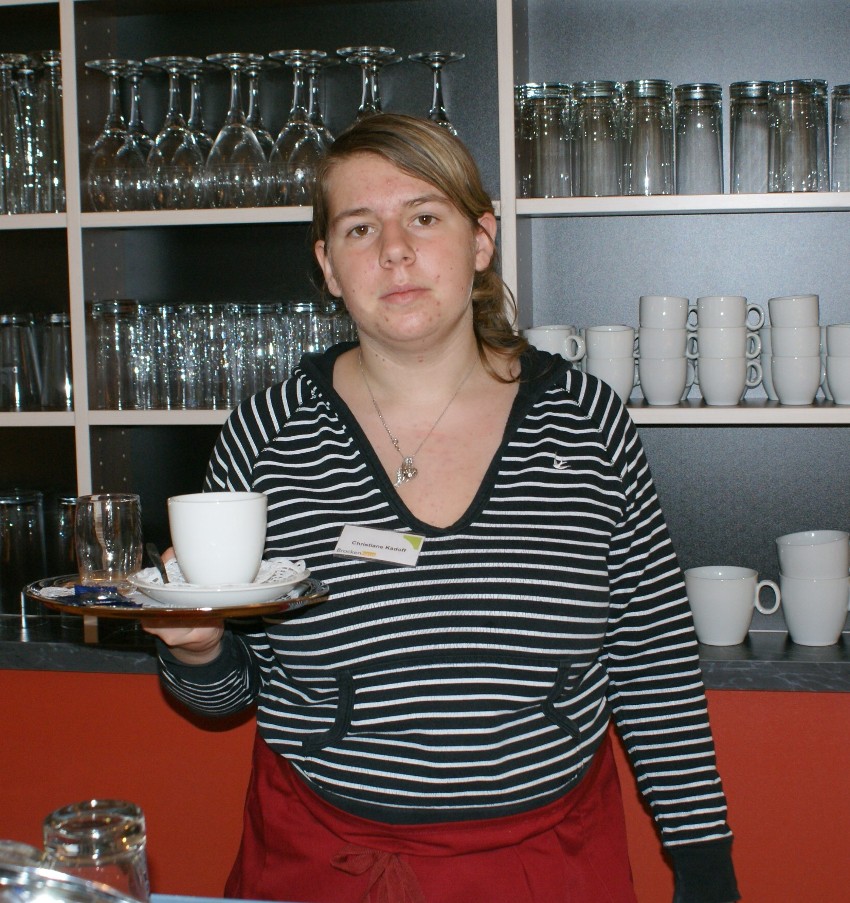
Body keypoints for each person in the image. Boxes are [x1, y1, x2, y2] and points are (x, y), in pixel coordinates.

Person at [146, 113, 739, 903]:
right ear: (329, 265)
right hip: (323, 863)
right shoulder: (268, 435)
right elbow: (230, 695)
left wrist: (703, 861)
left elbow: (650, 655)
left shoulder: (587, 422)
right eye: (360, 228)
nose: (394, 250)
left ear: (481, 241)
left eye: (424, 217)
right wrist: (195, 650)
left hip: (546, 864)